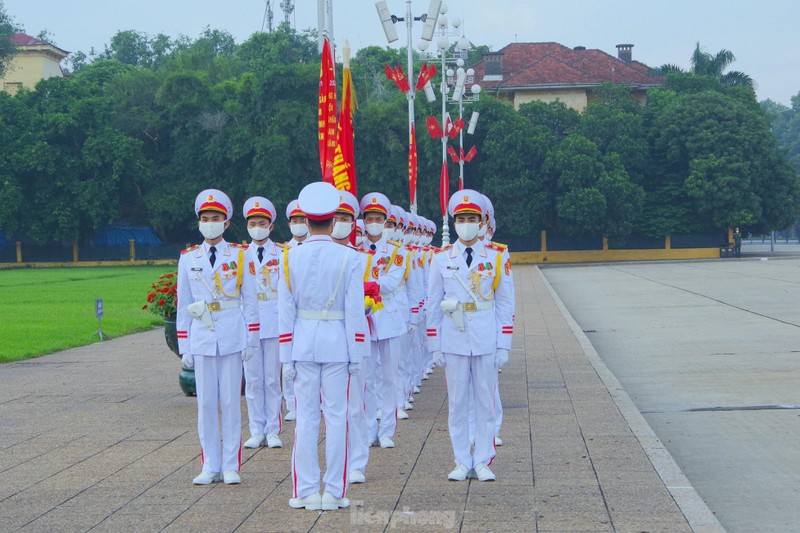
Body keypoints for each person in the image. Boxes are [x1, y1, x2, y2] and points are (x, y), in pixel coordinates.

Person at [278, 182, 367, 510]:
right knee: (338, 417)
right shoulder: (349, 257)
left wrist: (285, 357)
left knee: (306, 419)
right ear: (332, 222)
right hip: (337, 345)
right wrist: (356, 354)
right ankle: (334, 492)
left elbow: (284, 313)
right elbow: (356, 312)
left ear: (305, 220)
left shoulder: (290, 258)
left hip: (302, 344)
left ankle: (305, 491)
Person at [426, 190, 514, 482]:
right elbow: (432, 304)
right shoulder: (440, 258)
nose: (466, 224)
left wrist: (504, 343)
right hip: (454, 337)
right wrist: (434, 344)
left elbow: (505, 304)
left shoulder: (498, 256)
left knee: (485, 400)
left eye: (472, 218)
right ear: (454, 222)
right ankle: (462, 460)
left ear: (482, 222)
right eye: (461, 218)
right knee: (458, 402)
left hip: (486, 336)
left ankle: (484, 459)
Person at [177, 189, 259, 485]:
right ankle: (210, 464)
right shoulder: (188, 258)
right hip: (201, 336)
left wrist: (252, 338)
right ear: (198, 222)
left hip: (231, 334)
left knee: (229, 403)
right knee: (206, 404)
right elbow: (183, 304)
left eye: (216, 218)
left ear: (226, 223)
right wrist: (184, 344)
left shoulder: (239, 254)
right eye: (205, 218)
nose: (209, 223)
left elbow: (250, 301)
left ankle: (230, 465)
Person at [359, 192, 409, 448]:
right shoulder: (354, 249)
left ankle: (387, 429)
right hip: (364, 319)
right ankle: (369, 428)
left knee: (389, 377)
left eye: (379, 218)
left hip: (388, 318)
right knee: (366, 377)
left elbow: (391, 283)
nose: (374, 223)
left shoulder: (398, 252)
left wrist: (366, 285)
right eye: (370, 218)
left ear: (386, 220)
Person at [330, 191, 371, 484]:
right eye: (335, 218)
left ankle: (356, 462)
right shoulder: (315, 254)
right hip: (325, 338)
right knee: (329, 408)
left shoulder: (362, 256)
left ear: (354, 222)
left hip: (355, 336)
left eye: (345, 218)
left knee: (355, 404)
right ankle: (335, 462)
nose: (339, 224)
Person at [241, 196, 284, 450]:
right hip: (249, 322)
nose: (257, 226)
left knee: (271, 379)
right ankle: (256, 428)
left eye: (262, 222)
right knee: (253, 379)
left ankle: (273, 429)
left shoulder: (282, 254)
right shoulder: (238, 255)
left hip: (274, 319)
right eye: (253, 222)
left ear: (271, 226)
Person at [281, 199, 306, 421]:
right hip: (288, 309)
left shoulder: (314, 248)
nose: (299, 224)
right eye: (295, 220)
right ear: (289, 224)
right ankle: (291, 402)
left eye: (302, 220)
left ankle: (310, 399)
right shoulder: (282, 251)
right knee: (288, 355)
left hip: (309, 310)